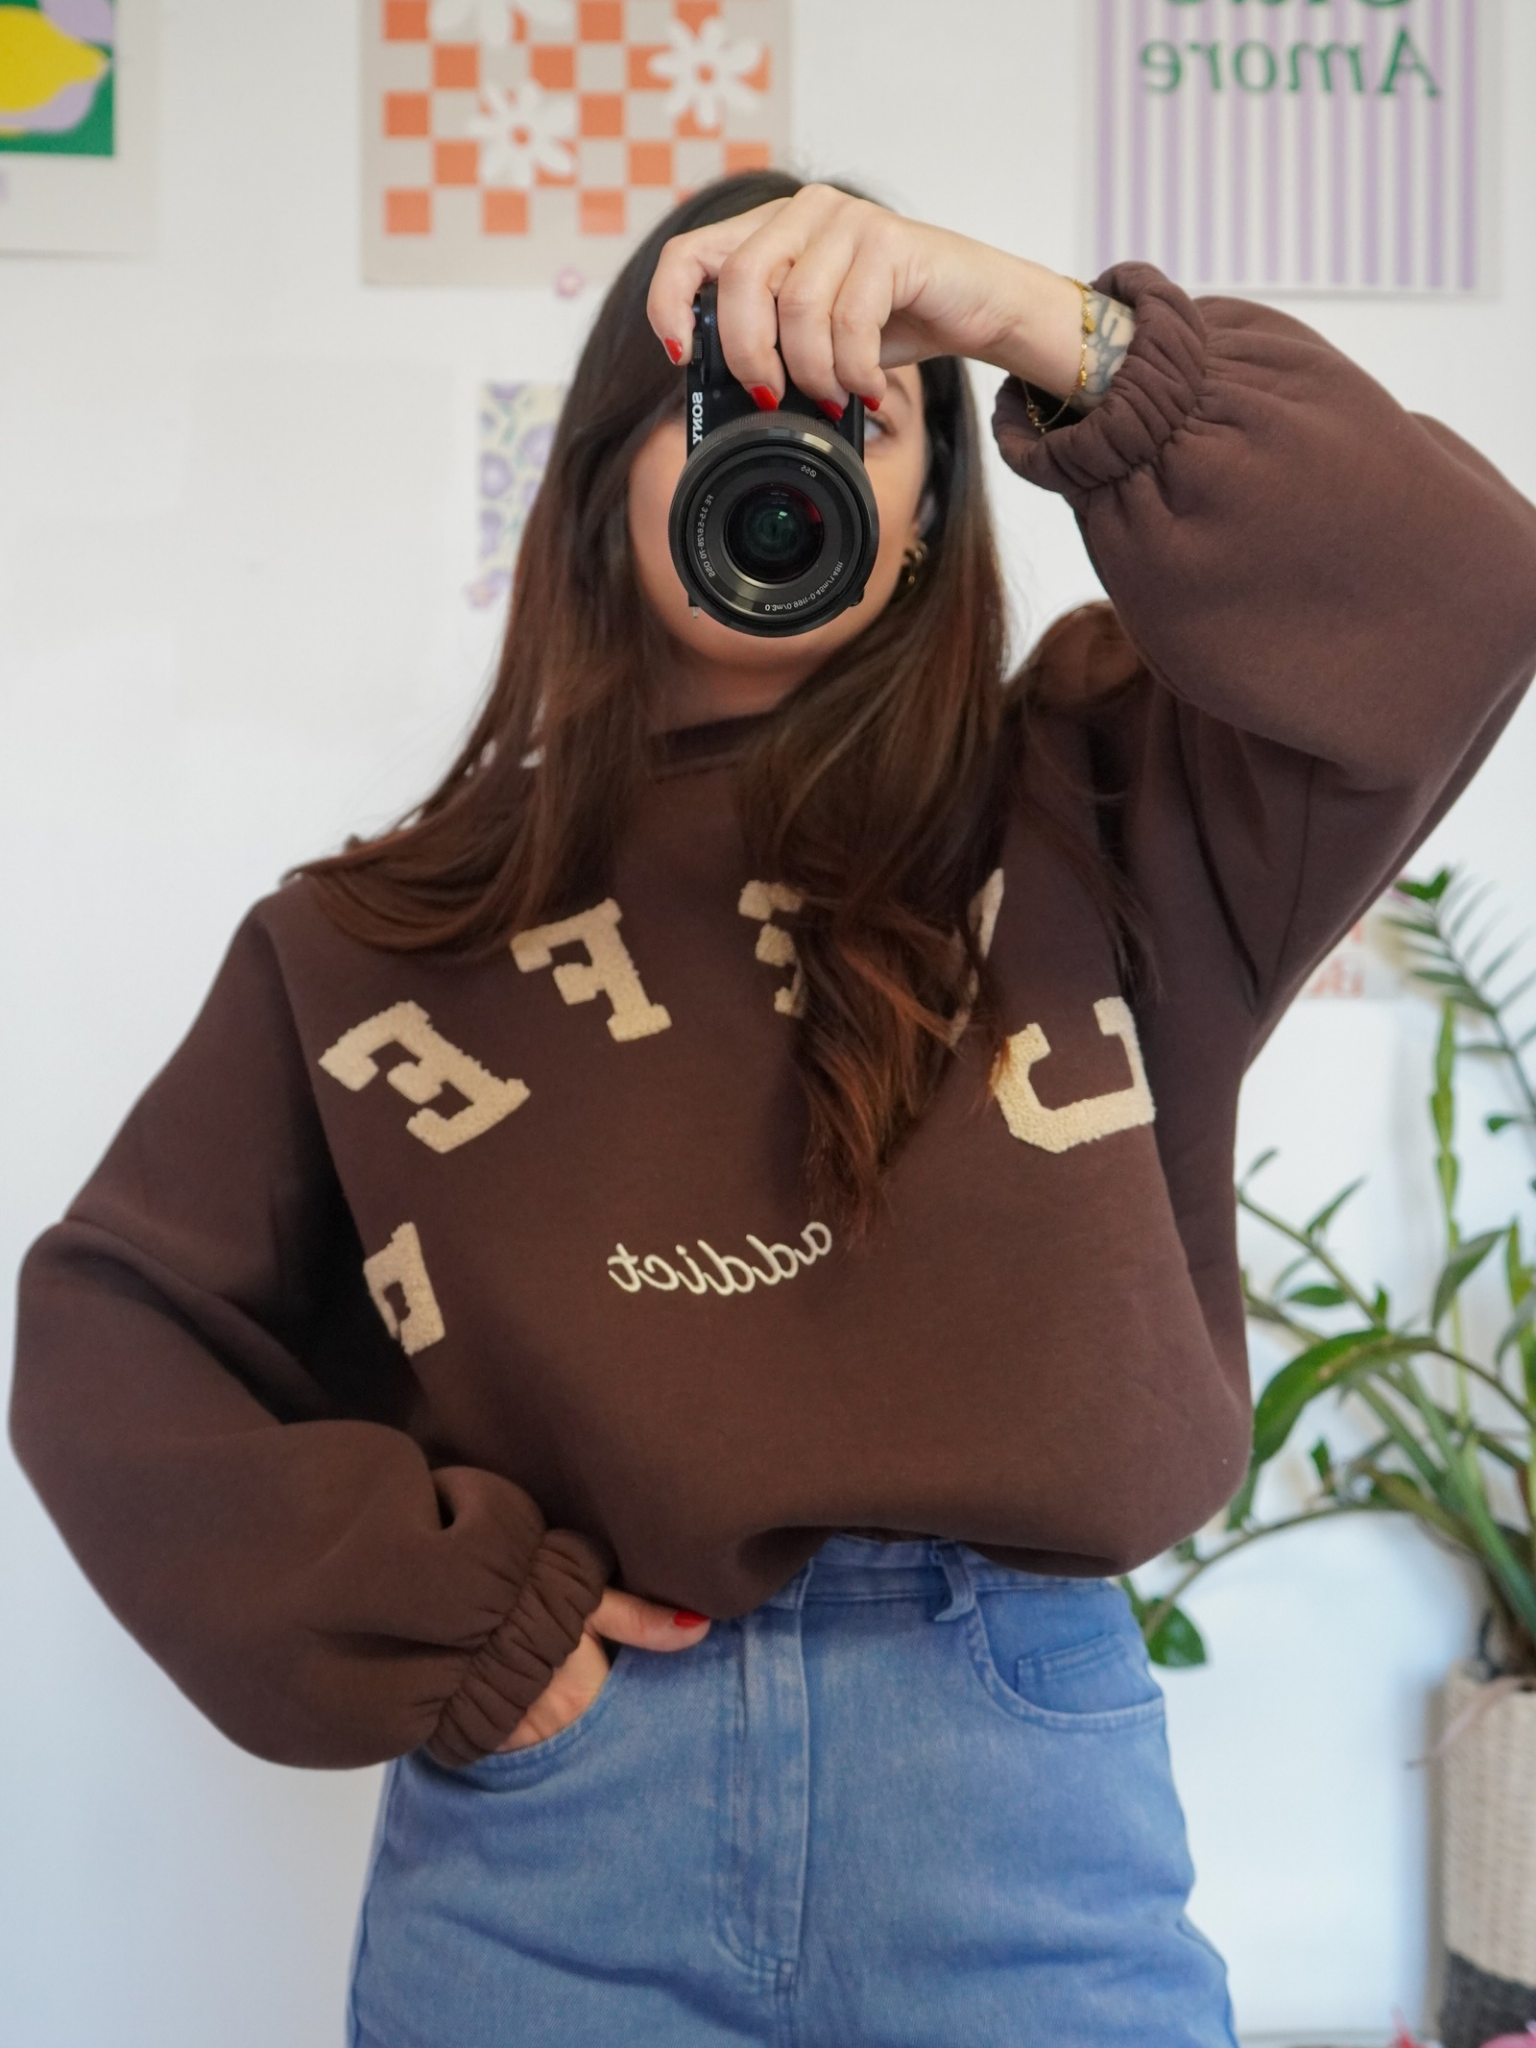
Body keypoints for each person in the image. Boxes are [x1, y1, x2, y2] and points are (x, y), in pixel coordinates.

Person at [11, 166, 1536, 2046]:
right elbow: (113, 1329)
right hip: (558, 1843)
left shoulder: (1107, 803)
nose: (793, 454)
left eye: (862, 416)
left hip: (1013, 1798)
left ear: (926, 515)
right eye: (726, 401)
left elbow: (1465, 590)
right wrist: (465, 1624)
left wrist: (1017, 319)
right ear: (608, 476)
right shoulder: (370, 939)